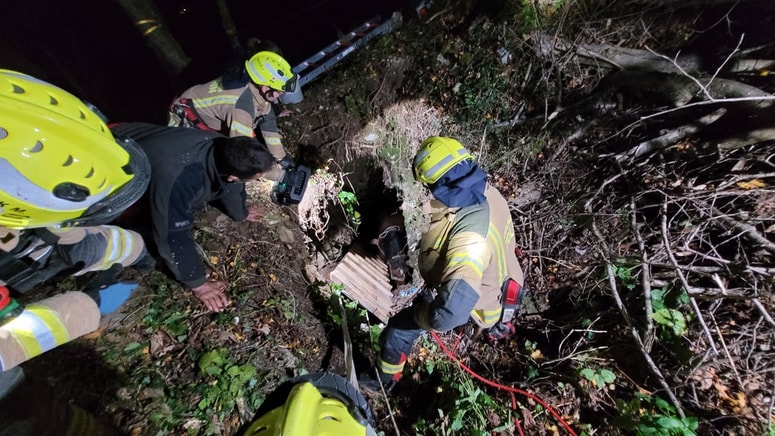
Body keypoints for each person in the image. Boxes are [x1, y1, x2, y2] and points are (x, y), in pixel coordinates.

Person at [360, 136, 526, 392]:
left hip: (478, 304)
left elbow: (451, 313)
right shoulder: (486, 191)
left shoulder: (470, 242)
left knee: (398, 330)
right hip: (502, 286)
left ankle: (383, 383)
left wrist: (421, 313)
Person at [109, 122, 276, 313]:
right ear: (233, 176)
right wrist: (199, 284)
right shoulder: (181, 178)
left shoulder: (225, 148)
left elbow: (233, 186)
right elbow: (173, 235)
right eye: (255, 178)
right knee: (146, 226)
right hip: (111, 159)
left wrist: (241, 214)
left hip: (137, 143)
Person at [167, 49, 298, 180]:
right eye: (281, 91)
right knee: (192, 166)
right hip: (184, 120)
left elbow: (268, 123)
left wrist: (282, 158)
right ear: (265, 88)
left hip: (202, 107)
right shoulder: (241, 109)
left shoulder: (255, 88)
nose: (282, 94)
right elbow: (245, 154)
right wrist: (279, 175)